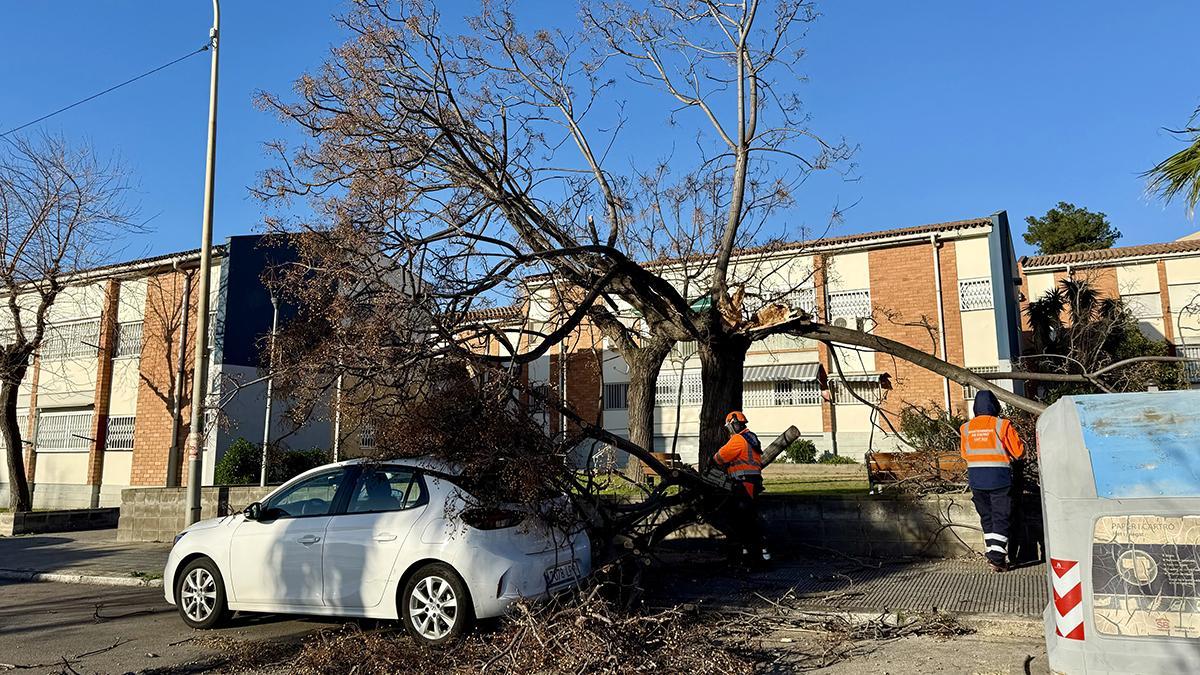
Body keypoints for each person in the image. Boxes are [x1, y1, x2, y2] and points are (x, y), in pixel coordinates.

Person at [959, 389, 1026, 572]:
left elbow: (965, 454)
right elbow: (1018, 452)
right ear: (995, 405)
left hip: (976, 479)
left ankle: (992, 555)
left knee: (987, 518)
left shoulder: (965, 428)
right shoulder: (1002, 425)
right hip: (999, 479)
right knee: (1001, 517)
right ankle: (997, 559)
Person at [711, 411, 770, 566]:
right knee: (749, 521)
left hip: (743, 485)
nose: (728, 430)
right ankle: (755, 557)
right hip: (752, 483)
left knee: (742, 522)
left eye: (728, 427)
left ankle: (748, 559)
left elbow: (719, 457)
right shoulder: (751, 438)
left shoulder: (738, 439)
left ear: (733, 424)